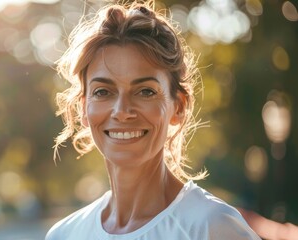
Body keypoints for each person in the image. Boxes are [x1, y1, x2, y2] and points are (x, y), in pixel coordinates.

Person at [46, 1, 261, 239]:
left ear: (178, 107)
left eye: (145, 91)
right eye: (103, 92)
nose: (122, 111)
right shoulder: (64, 235)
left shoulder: (212, 227)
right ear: (82, 108)